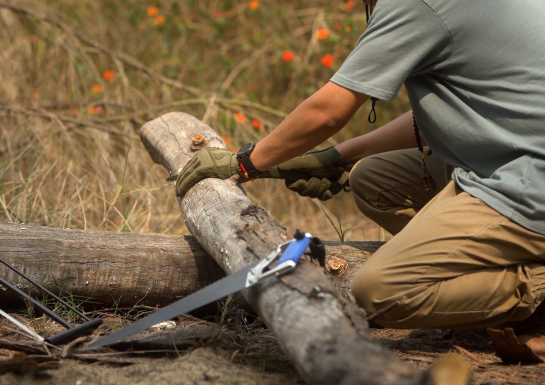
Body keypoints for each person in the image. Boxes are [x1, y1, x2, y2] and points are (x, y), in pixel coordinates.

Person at [174, 0, 545, 358]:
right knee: (375, 179)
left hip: (529, 180)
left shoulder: (417, 3)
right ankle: (481, 283)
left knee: (382, 292)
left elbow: (328, 110)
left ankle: (532, 289)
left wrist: (245, 163)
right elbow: (462, 109)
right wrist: (339, 156)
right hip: (514, 159)